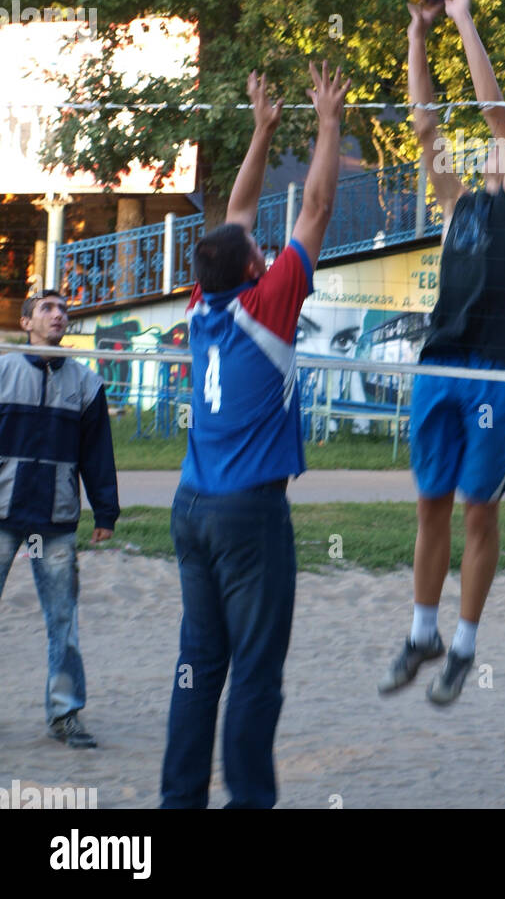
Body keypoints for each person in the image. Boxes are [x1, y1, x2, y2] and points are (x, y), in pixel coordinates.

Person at [160, 61, 349, 809]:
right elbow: (320, 206)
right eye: (256, 251)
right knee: (255, 672)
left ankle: (179, 802)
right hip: (246, 513)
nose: (265, 248)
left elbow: (237, 212)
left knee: (198, 664)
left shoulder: (207, 302)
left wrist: (264, 128)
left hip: (191, 505)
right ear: (252, 267)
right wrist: (327, 121)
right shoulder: (267, 303)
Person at [379, 0, 505, 706]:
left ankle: (466, 643)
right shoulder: (457, 205)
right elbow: (424, 125)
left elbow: (496, 114)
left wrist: (463, 19)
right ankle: (423, 632)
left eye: (500, 146)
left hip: (495, 372)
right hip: (439, 364)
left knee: (481, 511)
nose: (491, 148)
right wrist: (416, 36)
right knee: (430, 504)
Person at [0, 290, 119, 748]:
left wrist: (105, 509)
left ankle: (65, 714)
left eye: (63, 309)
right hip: (3, 512)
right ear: (27, 321)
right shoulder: (4, 371)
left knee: (63, 620)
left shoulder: (86, 383)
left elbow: (98, 454)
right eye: (47, 308)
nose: (58, 315)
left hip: (56, 522)